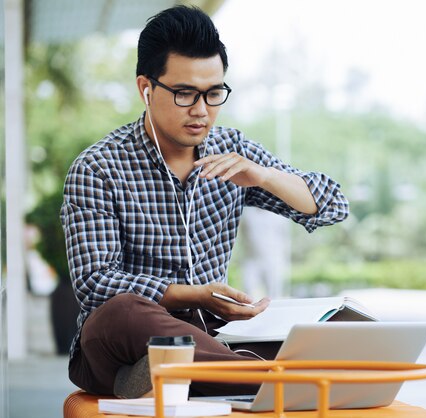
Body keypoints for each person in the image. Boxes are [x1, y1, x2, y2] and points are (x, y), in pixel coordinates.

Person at [60, 5, 349, 398]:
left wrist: (263, 176)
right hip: (120, 344)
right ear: (146, 88)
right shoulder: (98, 167)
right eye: (184, 94)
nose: (201, 111)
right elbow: (96, 284)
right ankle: (268, 379)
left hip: (215, 336)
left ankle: (181, 374)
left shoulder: (233, 152)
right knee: (121, 311)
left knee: (341, 323)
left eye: (214, 93)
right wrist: (195, 294)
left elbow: (332, 204)